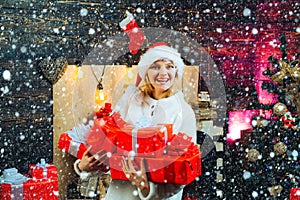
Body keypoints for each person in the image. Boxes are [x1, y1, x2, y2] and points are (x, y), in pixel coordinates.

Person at [73, 44, 197, 200]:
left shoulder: (184, 113)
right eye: (155, 66)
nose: (163, 73)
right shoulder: (128, 103)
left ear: (176, 71)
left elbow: (181, 172)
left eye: (169, 66)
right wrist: (82, 167)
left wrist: (145, 187)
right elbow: (108, 154)